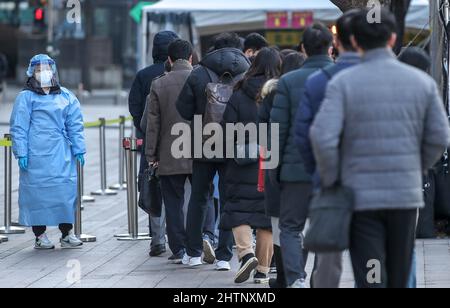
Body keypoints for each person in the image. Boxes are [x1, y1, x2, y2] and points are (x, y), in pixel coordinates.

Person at [310, 9, 450, 288]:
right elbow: (439, 136)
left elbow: (322, 137)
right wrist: (417, 165)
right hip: (404, 193)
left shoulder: (343, 83)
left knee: (371, 274)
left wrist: (334, 176)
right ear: (393, 39)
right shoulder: (420, 83)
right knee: (400, 271)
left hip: (360, 195)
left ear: (355, 42)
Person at [295, 10, 361, 289]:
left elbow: (306, 136)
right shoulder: (400, 78)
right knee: (378, 258)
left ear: (339, 44)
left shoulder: (319, 81)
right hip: (387, 187)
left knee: (329, 261)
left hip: (332, 181)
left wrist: (322, 174)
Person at [176, 32, 251, 269]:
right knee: (230, 198)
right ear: (240, 49)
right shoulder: (247, 73)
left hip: (203, 142)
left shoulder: (198, 72)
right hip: (234, 143)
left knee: (199, 197)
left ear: (213, 49)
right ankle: (224, 257)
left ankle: (194, 252)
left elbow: (183, 110)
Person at [270, 23, 334, 288]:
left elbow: (278, 130)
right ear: (332, 47)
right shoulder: (342, 77)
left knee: (291, 227)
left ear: (303, 48)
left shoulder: (287, 81)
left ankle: (296, 278)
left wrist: (275, 169)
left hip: (295, 169)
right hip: (332, 167)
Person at [10, 54, 86, 249]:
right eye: (38, 69)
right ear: (31, 73)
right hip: (35, 155)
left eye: (46, 68)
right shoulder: (26, 97)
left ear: (53, 70)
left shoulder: (66, 96)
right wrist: (21, 152)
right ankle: (39, 235)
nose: (43, 72)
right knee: (37, 195)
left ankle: (66, 233)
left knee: (64, 192)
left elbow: (74, 125)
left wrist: (79, 149)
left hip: (61, 154)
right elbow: (19, 126)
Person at [222, 47, 281, 284]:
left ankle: (246, 254)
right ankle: (263, 271)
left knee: (238, 210)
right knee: (267, 218)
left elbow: (227, 128)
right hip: (272, 160)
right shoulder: (281, 91)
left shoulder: (238, 92)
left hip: (242, 160)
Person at [259, 51, 306, 289]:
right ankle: (299, 274)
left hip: (276, 164)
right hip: (307, 168)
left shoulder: (272, 92)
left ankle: (286, 277)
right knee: (301, 228)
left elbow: (266, 132)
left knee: (280, 226)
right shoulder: (313, 88)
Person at [129, 30, 179, 257]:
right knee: (179, 189)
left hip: (151, 142)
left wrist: (144, 129)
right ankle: (178, 237)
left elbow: (135, 108)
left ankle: (157, 240)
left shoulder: (143, 75)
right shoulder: (186, 74)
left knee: (152, 187)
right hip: (179, 142)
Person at [145, 39, 194, 263]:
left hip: (169, 153)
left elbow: (152, 124)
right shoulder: (202, 79)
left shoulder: (159, 84)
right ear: (191, 57)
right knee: (201, 198)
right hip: (201, 152)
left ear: (169, 60)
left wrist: (151, 156)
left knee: (173, 202)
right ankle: (205, 238)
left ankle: (179, 249)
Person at [398, 46, 432, 289]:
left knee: (369, 247)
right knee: (405, 245)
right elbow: (439, 136)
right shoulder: (424, 95)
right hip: (407, 182)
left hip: (367, 186)